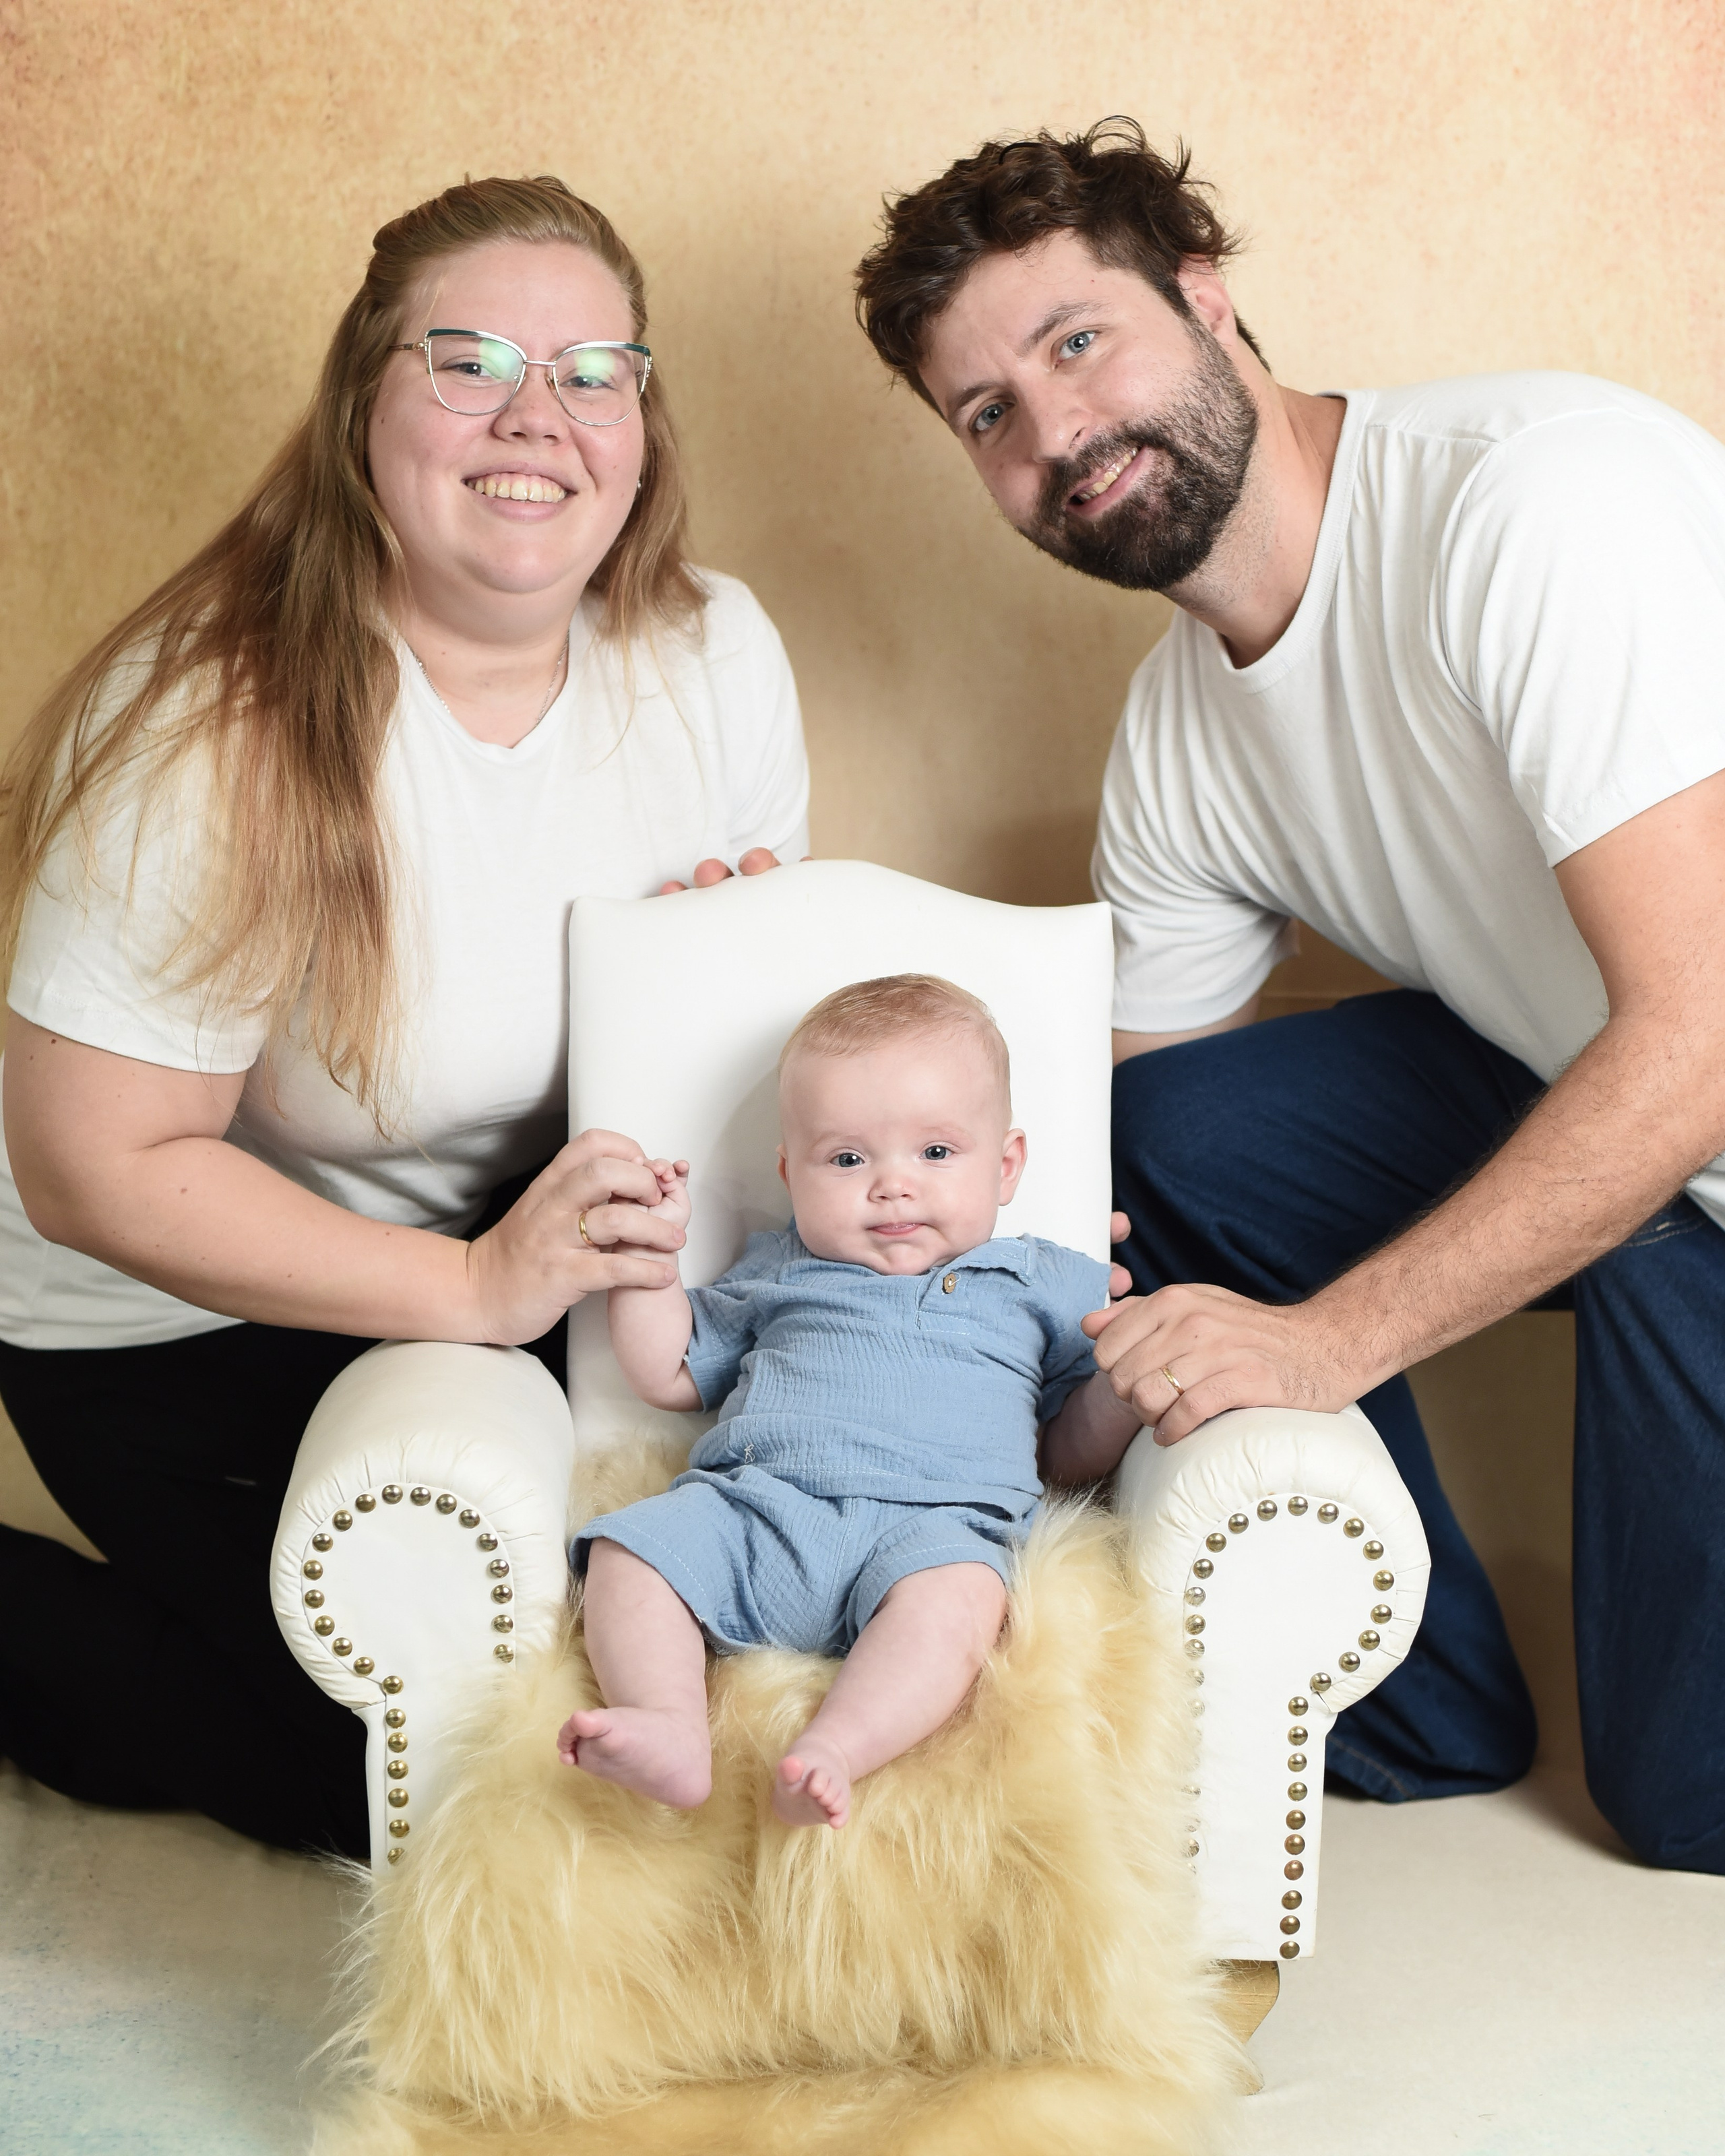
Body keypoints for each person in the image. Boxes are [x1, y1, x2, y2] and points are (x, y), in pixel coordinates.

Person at [852, 119, 1725, 1873]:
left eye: (1077, 341)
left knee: (1689, 1803)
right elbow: (1140, 1192)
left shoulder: (1534, 502)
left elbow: (1704, 1040)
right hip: (1629, 1121)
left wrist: (1322, 1344)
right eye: (985, 415)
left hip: (1693, 1089)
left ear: (1207, 296)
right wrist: (945, 1465)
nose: (1053, 434)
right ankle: (1408, 1691)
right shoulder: (1177, 744)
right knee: (1166, 1137)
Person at [0, 176, 809, 1859]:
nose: (538, 416)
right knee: (403, 1780)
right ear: (362, 400)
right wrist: (465, 1288)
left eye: (595, 369)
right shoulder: (211, 728)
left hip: (513, 1282)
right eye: (469, 362)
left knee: (704, 1698)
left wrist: (703, 991)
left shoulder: (713, 653)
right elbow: (94, 1167)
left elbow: (739, 1048)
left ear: (642, 422)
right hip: (169, 1324)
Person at [557, 974, 1134, 1828]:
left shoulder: (1040, 1279)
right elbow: (668, 1369)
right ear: (793, 1173)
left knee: (963, 1602)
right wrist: (652, 1257)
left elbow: (1069, 1454)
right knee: (630, 1551)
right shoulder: (782, 1269)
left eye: (936, 1153)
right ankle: (669, 1723)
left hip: (933, 1534)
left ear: (1005, 1164)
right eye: (848, 1158)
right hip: (756, 1513)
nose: (891, 1185)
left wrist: (1124, 1381)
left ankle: (837, 1748)